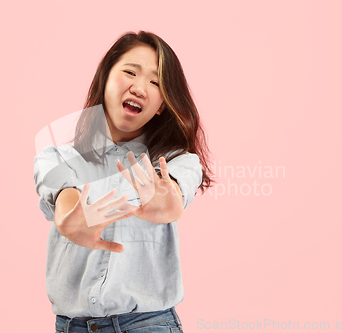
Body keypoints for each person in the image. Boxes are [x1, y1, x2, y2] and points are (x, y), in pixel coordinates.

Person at [33, 30, 213, 333]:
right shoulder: (57, 157)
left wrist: (160, 202)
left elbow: (172, 201)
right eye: (130, 72)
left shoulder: (179, 161)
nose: (140, 87)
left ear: (161, 105)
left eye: (155, 83)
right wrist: (72, 220)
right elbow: (64, 198)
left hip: (149, 325)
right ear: (105, 80)